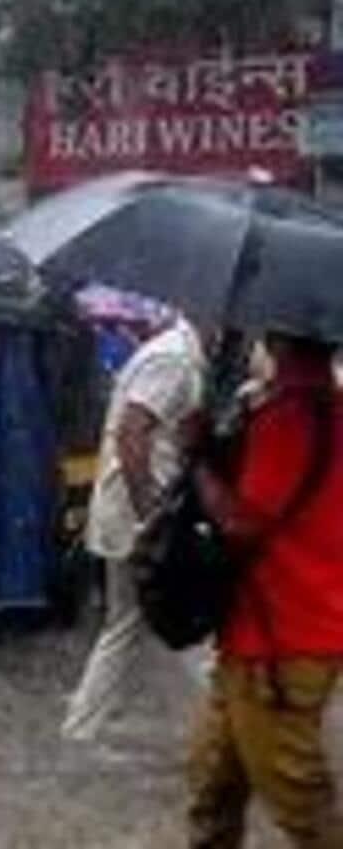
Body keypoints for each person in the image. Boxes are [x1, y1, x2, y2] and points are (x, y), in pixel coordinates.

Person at [187, 333, 343, 848]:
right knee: (215, 780)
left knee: (302, 803)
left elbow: (240, 521)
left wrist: (200, 464)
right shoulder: (325, 411)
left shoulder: (290, 418)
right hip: (290, 629)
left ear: (278, 339)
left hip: (275, 641)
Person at [62, 313, 210, 742]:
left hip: (134, 512)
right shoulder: (173, 361)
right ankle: (227, 732)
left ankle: (82, 727)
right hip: (140, 516)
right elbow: (132, 435)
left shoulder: (180, 357)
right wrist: (150, 516)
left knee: (125, 626)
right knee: (191, 627)